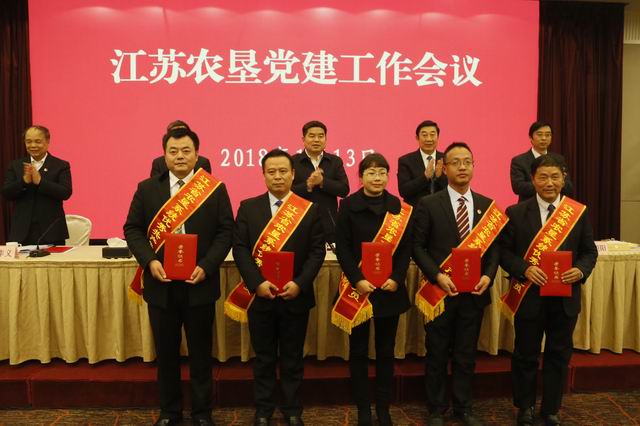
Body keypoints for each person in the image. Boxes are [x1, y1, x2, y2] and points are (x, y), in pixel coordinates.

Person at [124, 127, 233, 426]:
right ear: (164, 155)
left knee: (201, 354)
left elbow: (226, 231)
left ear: (197, 155)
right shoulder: (147, 188)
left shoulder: (214, 189)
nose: (180, 156)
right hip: (161, 286)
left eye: (186, 151)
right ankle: (169, 412)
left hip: (200, 283)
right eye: (173, 151)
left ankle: (202, 413)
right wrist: (149, 262)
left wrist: (207, 265)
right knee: (167, 355)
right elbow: (132, 228)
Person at [499, 155, 597, 426]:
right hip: (529, 295)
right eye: (543, 177)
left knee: (558, 354)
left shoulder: (577, 212)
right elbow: (504, 253)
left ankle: (551, 408)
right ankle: (525, 406)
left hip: (565, 298)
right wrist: (524, 268)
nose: (549, 183)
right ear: (533, 180)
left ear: (564, 179)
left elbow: (589, 252)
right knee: (525, 354)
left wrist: (580, 270)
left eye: (555, 177)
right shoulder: (516, 212)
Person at [232, 149, 325, 426]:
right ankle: (263, 409)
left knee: (293, 356)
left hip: (295, 296)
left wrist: (299, 283)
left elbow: (317, 252)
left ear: (293, 174)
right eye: (271, 172)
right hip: (261, 297)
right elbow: (240, 249)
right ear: (263, 175)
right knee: (263, 357)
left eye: (283, 171)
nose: (277, 176)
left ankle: (292, 409)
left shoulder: (309, 209)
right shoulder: (248, 207)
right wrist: (257, 283)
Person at [412, 142, 502, 426]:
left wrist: (489, 275)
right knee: (437, 352)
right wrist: (438, 276)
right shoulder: (428, 204)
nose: (462, 167)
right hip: (440, 291)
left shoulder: (487, 205)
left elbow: (494, 250)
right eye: (455, 162)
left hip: (474, 293)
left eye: (467, 162)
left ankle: (463, 407)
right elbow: (417, 247)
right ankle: (436, 409)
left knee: (466, 353)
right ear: (443, 168)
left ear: (474, 166)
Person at [333, 153, 413, 426]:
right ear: (361, 177)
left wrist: (398, 277)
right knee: (358, 351)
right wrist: (356, 279)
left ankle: (383, 407)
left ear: (388, 176)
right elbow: (342, 247)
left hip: (389, 290)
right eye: (371, 173)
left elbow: (405, 248)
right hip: (358, 289)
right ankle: (363, 408)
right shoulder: (348, 205)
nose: (377, 178)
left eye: (382, 173)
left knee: (385, 351)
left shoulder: (399, 208)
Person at [2, 125, 72, 245]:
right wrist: (24, 181)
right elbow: (6, 193)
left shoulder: (60, 165)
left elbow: (65, 192)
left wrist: (40, 181)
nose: (33, 145)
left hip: (51, 231)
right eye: (28, 141)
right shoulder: (15, 165)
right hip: (21, 231)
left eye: (38, 141)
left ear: (47, 141)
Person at [292, 120, 349, 245]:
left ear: (326, 139)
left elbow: (344, 189)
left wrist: (323, 182)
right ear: (303, 139)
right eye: (312, 136)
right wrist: (308, 185)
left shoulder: (335, 161)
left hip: (329, 225)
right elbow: (287, 192)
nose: (316, 140)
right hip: (299, 223)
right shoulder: (293, 162)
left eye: (321, 136)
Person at [510, 121, 574, 202]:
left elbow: (568, 186)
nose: (544, 138)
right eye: (539, 134)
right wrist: (546, 186)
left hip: (555, 206)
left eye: (547, 135)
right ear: (530, 137)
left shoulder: (559, 159)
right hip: (529, 206)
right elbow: (518, 187)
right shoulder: (519, 161)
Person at [397, 120, 447, 207]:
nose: (429, 139)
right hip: (417, 211)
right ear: (417, 138)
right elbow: (403, 191)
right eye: (424, 135)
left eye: (432, 135)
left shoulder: (446, 159)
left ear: (438, 137)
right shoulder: (405, 161)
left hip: (442, 210)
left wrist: (440, 177)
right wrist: (425, 177)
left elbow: (454, 188)